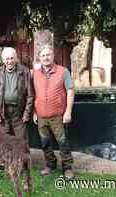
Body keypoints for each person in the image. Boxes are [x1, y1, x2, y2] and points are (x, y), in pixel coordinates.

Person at [33, 45, 75, 180]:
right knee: (45, 142)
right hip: (41, 116)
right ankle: (50, 165)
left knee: (62, 142)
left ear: (53, 55)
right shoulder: (35, 74)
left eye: (48, 55)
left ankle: (67, 167)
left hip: (58, 115)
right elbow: (34, 94)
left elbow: (70, 91)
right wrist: (34, 112)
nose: (46, 57)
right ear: (39, 58)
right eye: (43, 55)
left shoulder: (63, 71)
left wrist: (68, 111)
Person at [0, 47, 34, 141]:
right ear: (3, 60)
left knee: (21, 141)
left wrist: (26, 113)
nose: (9, 61)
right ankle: (7, 156)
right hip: (2, 112)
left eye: (11, 58)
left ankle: (22, 156)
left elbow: (30, 95)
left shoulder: (24, 72)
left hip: (19, 112)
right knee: (3, 141)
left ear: (16, 58)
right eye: (7, 58)